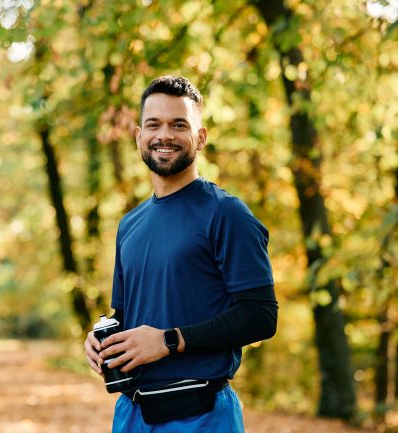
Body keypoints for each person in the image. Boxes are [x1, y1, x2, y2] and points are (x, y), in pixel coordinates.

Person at [84, 75, 278, 433]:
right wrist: (100, 340)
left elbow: (261, 315)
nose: (164, 135)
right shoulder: (130, 224)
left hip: (201, 416)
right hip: (131, 415)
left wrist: (169, 340)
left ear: (200, 138)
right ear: (139, 136)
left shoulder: (226, 214)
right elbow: (126, 314)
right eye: (153, 124)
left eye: (179, 125)